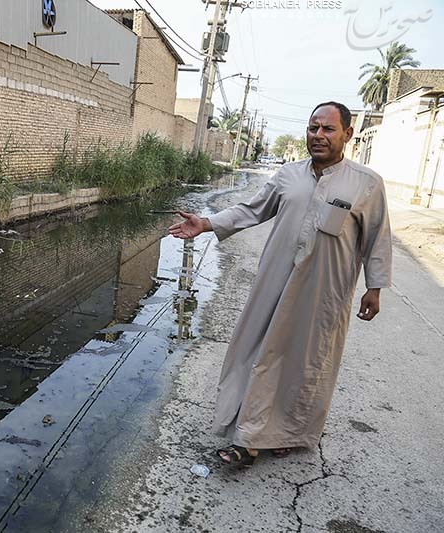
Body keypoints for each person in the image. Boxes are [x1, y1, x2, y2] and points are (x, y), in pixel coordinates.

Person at [168, 102, 392, 467]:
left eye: (328, 129)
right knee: (259, 351)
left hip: (325, 290)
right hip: (275, 281)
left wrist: (375, 286)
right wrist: (207, 223)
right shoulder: (289, 175)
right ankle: (249, 435)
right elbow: (251, 210)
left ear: (348, 135)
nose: (318, 136)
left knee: (306, 360)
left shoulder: (367, 183)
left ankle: (288, 431)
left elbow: (377, 238)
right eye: (312, 128)